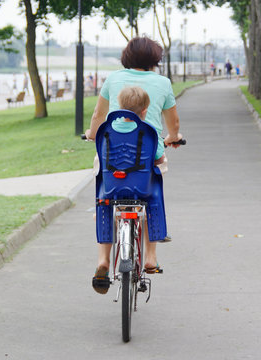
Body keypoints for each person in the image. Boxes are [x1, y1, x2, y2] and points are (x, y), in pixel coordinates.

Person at [85, 36, 183, 294]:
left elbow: (98, 115)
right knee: (152, 195)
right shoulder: (162, 82)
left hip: (112, 157)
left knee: (104, 199)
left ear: (126, 57)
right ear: (154, 60)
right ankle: (151, 256)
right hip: (147, 157)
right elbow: (173, 123)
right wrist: (173, 138)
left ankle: (103, 261)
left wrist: (93, 133)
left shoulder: (114, 79)